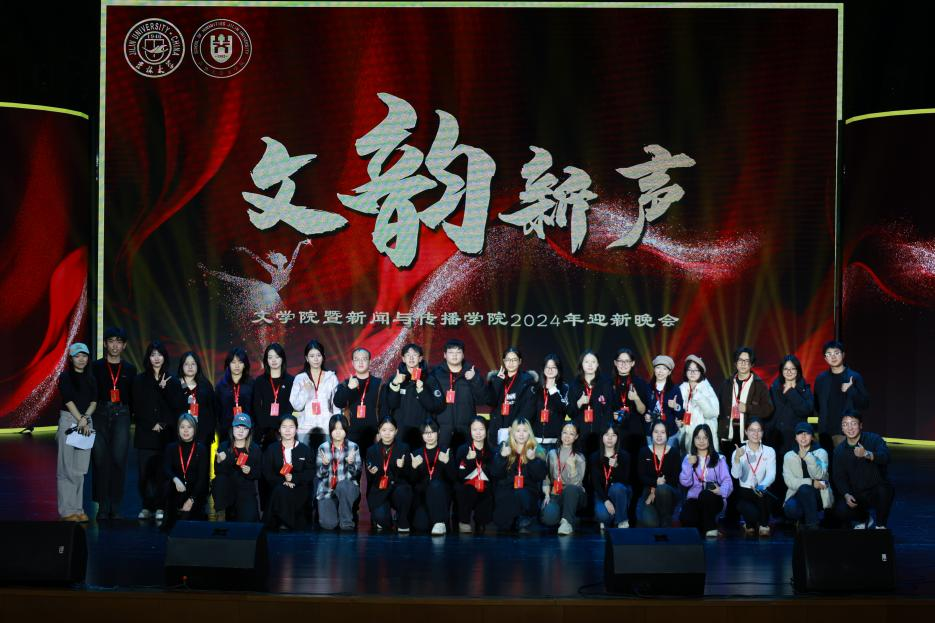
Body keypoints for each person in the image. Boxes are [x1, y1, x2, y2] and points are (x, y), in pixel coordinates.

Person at [133, 340, 182, 521]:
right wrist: (151, 423)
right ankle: (147, 506)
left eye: (159, 354)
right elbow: (136, 406)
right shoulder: (139, 380)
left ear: (164, 357)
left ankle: (161, 506)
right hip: (145, 434)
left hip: (165, 435)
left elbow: (177, 407)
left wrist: (165, 390)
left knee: (162, 473)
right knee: (145, 474)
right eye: (153, 354)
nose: (156, 358)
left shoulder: (172, 381)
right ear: (148, 357)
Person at [90, 326, 135, 520]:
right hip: (99, 413)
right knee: (99, 460)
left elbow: (133, 396)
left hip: (122, 414)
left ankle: (115, 505)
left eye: (119, 341)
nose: (115, 345)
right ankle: (102, 505)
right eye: (111, 341)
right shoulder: (96, 367)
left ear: (124, 345)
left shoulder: (130, 369)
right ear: (105, 344)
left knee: (118, 459)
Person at [832, 411, 893, 530]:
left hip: (876, 489)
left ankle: (880, 525)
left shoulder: (873, 439)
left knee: (885, 489)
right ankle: (865, 519)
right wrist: (846, 494)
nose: (850, 428)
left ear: (860, 425)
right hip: (857, 493)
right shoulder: (839, 451)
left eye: (853, 423)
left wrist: (867, 454)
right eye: (845, 424)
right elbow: (838, 476)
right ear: (842, 428)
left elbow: (886, 457)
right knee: (839, 510)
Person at [57, 343, 97, 522]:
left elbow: (94, 401)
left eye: (84, 356)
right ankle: (67, 511)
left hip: (86, 422)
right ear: (71, 358)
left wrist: (85, 418)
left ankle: (78, 509)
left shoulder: (91, 378)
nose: (81, 359)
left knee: (80, 470)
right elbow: (68, 400)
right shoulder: (65, 377)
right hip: (69, 420)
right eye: (77, 356)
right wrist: (80, 419)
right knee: (66, 468)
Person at [491, 418, 547, 534]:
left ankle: (523, 519)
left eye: (525, 431)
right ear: (513, 433)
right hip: (507, 491)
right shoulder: (504, 447)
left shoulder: (537, 449)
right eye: (518, 431)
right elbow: (495, 473)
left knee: (521, 493)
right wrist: (502, 457)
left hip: (527, 493)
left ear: (529, 433)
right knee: (503, 521)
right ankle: (511, 519)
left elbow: (540, 476)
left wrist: (532, 460)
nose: (521, 434)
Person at [428, 339, 486, 449]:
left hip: (466, 428)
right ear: (445, 355)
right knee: (442, 458)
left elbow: (482, 399)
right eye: (451, 352)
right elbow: (430, 402)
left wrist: (474, 379)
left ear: (463, 355)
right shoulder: (435, 374)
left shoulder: (472, 372)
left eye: (458, 352)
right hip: (442, 429)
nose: (454, 355)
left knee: (466, 458)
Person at [385, 343, 444, 449]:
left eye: (415, 355)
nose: (411, 358)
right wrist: (395, 384)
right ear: (403, 359)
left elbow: (436, 406)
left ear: (420, 358)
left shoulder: (430, 379)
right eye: (408, 355)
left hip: (423, 431)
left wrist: (421, 390)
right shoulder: (395, 379)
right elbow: (391, 405)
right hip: (401, 430)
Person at [717, 347, 773, 457]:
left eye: (747, 361)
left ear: (751, 364)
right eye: (740, 360)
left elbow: (768, 409)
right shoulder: (726, 384)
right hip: (728, 435)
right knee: (728, 465)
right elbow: (718, 409)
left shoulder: (759, 385)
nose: (743, 364)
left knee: (748, 466)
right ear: (735, 363)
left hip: (748, 437)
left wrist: (748, 408)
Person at [333, 347, 387, 460]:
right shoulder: (346, 383)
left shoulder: (379, 383)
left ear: (369, 361)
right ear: (352, 363)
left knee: (373, 469)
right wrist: (349, 389)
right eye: (357, 359)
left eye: (364, 359)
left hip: (373, 435)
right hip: (351, 435)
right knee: (352, 469)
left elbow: (384, 409)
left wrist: (381, 432)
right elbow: (338, 403)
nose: (360, 362)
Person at [679, 424, 733, 538]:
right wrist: (689, 465)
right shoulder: (688, 458)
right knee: (686, 518)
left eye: (705, 438)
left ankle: (711, 528)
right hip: (695, 499)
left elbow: (727, 481)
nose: (701, 441)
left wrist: (721, 490)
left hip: (714, 498)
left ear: (710, 440)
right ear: (693, 440)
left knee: (705, 495)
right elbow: (685, 482)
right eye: (698, 438)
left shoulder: (719, 459)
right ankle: (707, 525)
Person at [262, 414, 314, 530]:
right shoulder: (272, 449)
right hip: (278, 487)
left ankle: (280, 522)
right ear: (279, 430)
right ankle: (285, 522)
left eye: (291, 427)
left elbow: (310, 472)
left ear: (296, 429)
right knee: (281, 490)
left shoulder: (305, 450)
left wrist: (294, 479)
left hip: (299, 488)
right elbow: (267, 473)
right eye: (284, 427)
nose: (287, 430)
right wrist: (283, 482)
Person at [815, 341, 869, 450]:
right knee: (826, 460)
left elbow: (864, 404)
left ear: (843, 355)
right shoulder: (821, 379)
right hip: (825, 432)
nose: (833, 357)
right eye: (829, 354)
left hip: (846, 431)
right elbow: (817, 405)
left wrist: (851, 390)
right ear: (825, 358)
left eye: (836, 353)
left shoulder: (854, 377)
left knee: (845, 459)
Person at [365, 416, 413, 533]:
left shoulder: (404, 448)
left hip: (397, 488)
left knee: (405, 490)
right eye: (384, 430)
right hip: (380, 491)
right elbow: (370, 480)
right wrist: (372, 473)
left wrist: (402, 466)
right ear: (379, 431)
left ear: (396, 431)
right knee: (383, 520)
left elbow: (409, 475)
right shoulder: (371, 450)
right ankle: (382, 518)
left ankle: (402, 517)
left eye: (391, 430)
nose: (387, 433)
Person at [730, 418, 777, 536]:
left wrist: (762, 486)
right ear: (746, 431)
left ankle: (763, 525)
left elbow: (771, 475)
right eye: (752, 430)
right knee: (751, 512)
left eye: (759, 430)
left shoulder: (769, 451)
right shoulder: (739, 451)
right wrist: (737, 458)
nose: (756, 434)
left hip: (762, 490)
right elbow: (736, 475)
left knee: (764, 495)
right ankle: (750, 523)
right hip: (744, 492)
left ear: (763, 432)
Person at [290, 340, 339, 449]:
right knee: (306, 457)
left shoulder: (331, 377)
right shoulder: (300, 378)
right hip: (305, 429)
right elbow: (296, 406)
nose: (316, 359)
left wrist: (336, 427)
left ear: (323, 356)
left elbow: (336, 406)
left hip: (326, 428)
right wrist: (305, 391)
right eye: (312, 356)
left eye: (318, 355)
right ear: (307, 358)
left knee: (325, 457)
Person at [162, 414, 209, 527]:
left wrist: (191, 499)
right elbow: (166, 468)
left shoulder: (201, 449)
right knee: (171, 526)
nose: (186, 430)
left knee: (188, 525)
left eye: (189, 427)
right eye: (182, 427)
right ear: (178, 429)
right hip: (177, 489)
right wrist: (175, 479)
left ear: (194, 429)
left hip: (195, 492)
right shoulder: (171, 447)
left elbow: (202, 479)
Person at [315, 415, 361, 531]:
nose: (338, 432)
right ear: (330, 430)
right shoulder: (323, 447)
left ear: (346, 430)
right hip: (327, 489)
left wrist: (351, 464)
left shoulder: (353, 447)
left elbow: (357, 473)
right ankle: (336, 511)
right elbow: (319, 475)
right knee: (328, 525)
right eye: (335, 429)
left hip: (347, 487)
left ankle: (346, 522)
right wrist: (325, 465)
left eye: (341, 429)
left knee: (343, 486)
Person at [213, 413, 262, 522]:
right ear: (232, 428)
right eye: (238, 427)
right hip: (228, 489)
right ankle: (220, 512)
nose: (241, 431)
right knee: (219, 480)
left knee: (248, 522)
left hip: (245, 490)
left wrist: (250, 471)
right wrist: (219, 462)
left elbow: (258, 473)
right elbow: (218, 473)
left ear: (249, 431)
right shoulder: (224, 446)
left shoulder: (254, 449)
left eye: (245, 428)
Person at [782, 422, 832, 530]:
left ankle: (813, 526)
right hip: (797, 493)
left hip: (819, 493)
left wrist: (807, 457)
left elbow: (820, 475)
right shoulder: (789, 456)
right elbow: (789, 481)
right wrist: (811, 482)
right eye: (800, 433)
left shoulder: (821, 453)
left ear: (812, 437)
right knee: (791, 508)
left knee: (805, 489)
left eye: (807, 433)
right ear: (795, 438)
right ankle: (806, 520)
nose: (803, 436)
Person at [541, 422, 588, 535]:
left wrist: (572, 468)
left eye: (571, 434)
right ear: (561, 434)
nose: (567, 436)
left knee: (570, 489)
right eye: (565, 432)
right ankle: (571, 518)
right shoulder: (552, 454)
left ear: (576, 437)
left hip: (574, 494)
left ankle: (566, 523)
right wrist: (547, 494)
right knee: (548, 519)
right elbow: (546, 477)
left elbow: (577, 484)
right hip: (556, 493)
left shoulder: (579, 457)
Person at [452, 416, 495, 534]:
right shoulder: (463, 449)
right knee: (466, 489)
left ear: (486, 430)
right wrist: (468, 461)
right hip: (467, 485)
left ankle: (481, 521)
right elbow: (459, 475)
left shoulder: (491, 450)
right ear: (470, 431)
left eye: (481, 429)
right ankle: (464, 521)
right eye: (474, 429)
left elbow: (494, 474)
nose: (478, 433)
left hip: (484, 485)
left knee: (489, 491)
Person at [410, 418, 453, 535]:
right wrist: (413, 467)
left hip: (440, 494)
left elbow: (453, 478)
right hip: (423, 495)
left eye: (432, 432)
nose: (429, 436)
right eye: (425, 433)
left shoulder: (445, 452)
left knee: (436, 484)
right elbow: (412, 480)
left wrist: (447, 463)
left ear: (438, 432)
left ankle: (440, 522)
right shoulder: (416, 453)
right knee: (421, 526)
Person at [487, 347, 538, 442]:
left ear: (520, 361)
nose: (511, 363)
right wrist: (498, 382)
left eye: (514, 360)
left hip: (517, 430)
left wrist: (516, 426)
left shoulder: (527, 381)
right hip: (497, 428)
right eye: (508, 360)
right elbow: (490, 401)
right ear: (504, 361)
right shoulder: (496, 378)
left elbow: (529, 408)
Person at [637, 420, 681, 528]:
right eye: (656, 432)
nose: (659, 435)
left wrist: (657, 489)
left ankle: (666, 520)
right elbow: (641, 476)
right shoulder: (644, 451)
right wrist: (655, 484)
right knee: (651, 523)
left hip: (669, 492)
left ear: (667, 434)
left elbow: (675, 478)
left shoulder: (674, 452)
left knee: (662, 489)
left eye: (662, 432)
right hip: (648, 493)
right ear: (651, 434)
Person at [568, 350, 612, 456]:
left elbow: (610, 409)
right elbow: (570, 413)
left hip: (600, 434)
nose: (590, 365)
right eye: (586, 362)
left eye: (593, 362)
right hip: (581, 435)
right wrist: (579, 403)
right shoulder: (574, 385)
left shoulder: (605, 383)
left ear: (597, 364)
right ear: (581, 364)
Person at [251, 343, 294, 450]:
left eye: (277, 357)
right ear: (266, 360)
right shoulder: (260, 381)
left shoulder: (290, 380)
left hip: (284, 430)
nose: (274, 360)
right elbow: (256, 406)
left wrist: (282, 426)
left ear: (282, 359)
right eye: (270, 357)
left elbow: (290, 405)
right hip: (263, 430)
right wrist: (265, 427)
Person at [769, 355, 815, 454]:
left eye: (792, 368)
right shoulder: (774, 388)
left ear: (798, 370)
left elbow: (806, 411)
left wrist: (791, 392)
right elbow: (770, 412)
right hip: (777, 438)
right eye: (786, 369)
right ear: (781, 371)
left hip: (797, 438)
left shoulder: (805, 389)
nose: (789, 372)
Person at [591, 422, 631, 530]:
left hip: (619, 493)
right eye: (607, 435)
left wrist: (616, 467)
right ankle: (611, 517)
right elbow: (595, 483)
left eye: (613, 435)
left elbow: (625, 480)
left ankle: (622, 520)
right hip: (602, 494)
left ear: (617, 438)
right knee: (602, 516)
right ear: (602, 437)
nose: (609, 438)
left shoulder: (624, 456)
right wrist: (606, 500)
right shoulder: (595, 457)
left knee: (618, 488)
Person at [677, 355, 719, 454]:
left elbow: (713, 413)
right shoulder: (682, 389)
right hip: (688, 436)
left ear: (701, 372)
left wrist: (699, 397)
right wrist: (680, 423)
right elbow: (681, 413)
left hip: (704, 436)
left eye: (696, 370)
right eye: (689, 369)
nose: (692, 373)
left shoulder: (706, 389)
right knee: (690, 461)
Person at [176, 350, 217, 449]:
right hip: (180, 434)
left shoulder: (205, 384)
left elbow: (213, 410)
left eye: (193, 364)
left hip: (203, 435)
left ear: (198, 366)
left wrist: (211, 431)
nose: (190, 367)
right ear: (182, 366)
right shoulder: (175, 384)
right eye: (186, 364)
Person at [530, 354, 569, 452]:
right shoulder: (535, 388)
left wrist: (553, 390)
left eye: (554, 367)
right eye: (547, 367)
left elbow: (564, 410)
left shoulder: (565, 388)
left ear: (558, 369)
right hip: (536, 442)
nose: (550, 370)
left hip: (556, 442)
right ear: (543, 368)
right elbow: (529, 412)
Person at [215, 347, 254, 442]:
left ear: (245, 365)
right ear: (228, 364)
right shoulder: (221, 385)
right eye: (233, 362)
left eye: (240, 362)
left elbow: (255, 409)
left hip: (247, 429)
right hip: (226, 431)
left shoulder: (252, 384)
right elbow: (217, 411)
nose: (237, 366)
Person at [644, 355, 683, 448]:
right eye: (658, 368)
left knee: (669, 456)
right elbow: (644, 408)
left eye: (664, 369)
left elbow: (680, 414)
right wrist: (646, 415)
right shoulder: (647, 388)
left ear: (669, 372)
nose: (660, 371)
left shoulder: (675, 389)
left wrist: (676, 406)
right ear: (654, 369)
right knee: (653, 455)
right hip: (651, 431)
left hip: (670, 432)